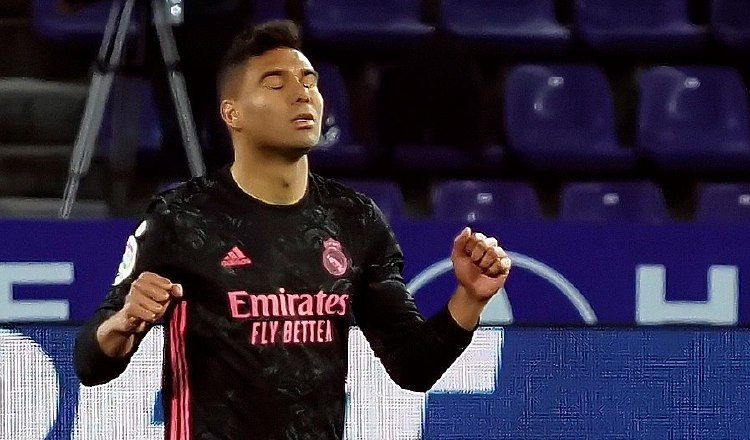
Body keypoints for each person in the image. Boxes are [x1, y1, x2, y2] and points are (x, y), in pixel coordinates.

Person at [74, 20, 512, 440]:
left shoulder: (354, 218)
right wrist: (124, 323)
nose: (302, 94)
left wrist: (469, 298)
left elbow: (414, 367)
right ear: (232, 113)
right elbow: (90, 365)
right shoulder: (181, 217)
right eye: (276, 83)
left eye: (309, 81)